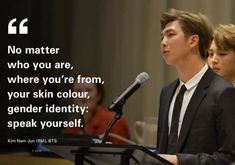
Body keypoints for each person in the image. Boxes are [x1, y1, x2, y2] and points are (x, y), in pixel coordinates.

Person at [157, 9, 235, 165]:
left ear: (193, 41)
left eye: (171, 35)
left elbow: (229, 158)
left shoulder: (223, 92)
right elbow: (162, 152)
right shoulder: (167, 92)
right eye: (162, 37)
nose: (163, 42)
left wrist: (179, 161)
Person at [62, 73, 130, 144]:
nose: (83, 96)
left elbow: (120, 154)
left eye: (88, 90)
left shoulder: (114, 122)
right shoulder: (73, 127)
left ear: (99, 95)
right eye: (78, 91)